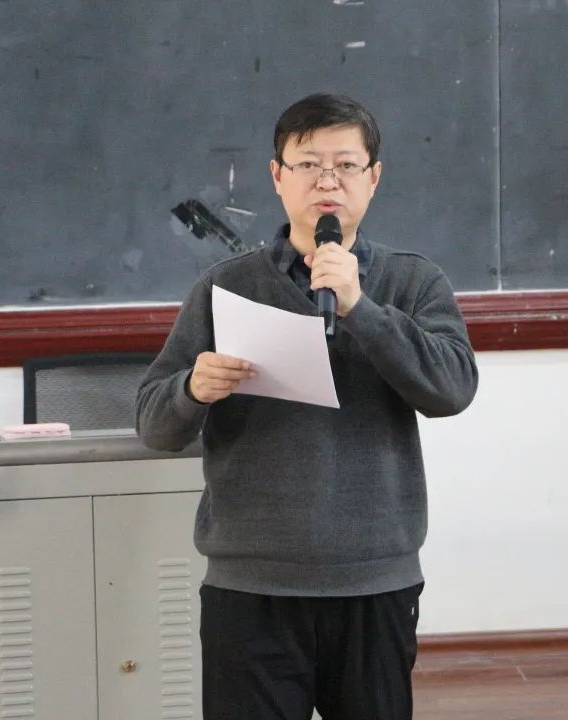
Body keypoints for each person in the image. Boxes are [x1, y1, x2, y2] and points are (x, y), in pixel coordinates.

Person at [136, 93, 478, 720]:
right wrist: (192, 388)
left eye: (346, 165)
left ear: (373, 177)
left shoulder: (414, 282)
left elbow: (452, 389)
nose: (327, 181)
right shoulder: (225, 286)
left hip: (373, 578)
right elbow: (154, 425)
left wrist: (360, 308)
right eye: (308, 164)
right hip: (251, 584)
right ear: (277, 176)